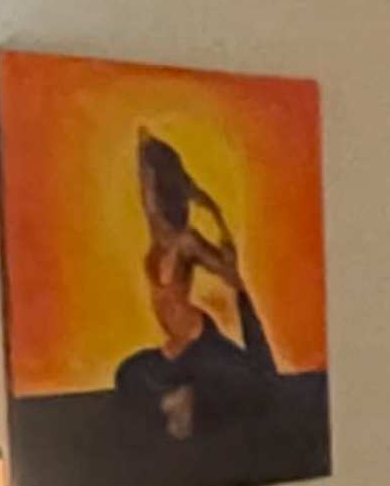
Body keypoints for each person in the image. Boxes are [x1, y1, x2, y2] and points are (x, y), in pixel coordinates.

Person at [112, 134, 283, 444]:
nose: (149, 198)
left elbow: (227, 272)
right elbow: (146, 181)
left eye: (154, 191)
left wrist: (224, 240)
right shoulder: (156, 231)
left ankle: (188, 400)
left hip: (198, 338)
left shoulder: (186, 241)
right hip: (174, 347)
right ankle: (181, 396)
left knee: (251, 383)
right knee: (128, 374)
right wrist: (146, 145)